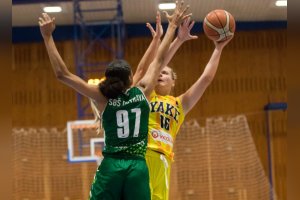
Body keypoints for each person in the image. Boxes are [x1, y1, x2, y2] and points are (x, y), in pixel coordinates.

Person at [38, 1, 191, 199]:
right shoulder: (141, 92)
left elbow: (62, 74)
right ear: (130, 79)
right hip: (137, 166)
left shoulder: (101, 98)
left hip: (111, 166)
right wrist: (172, 27)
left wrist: (47, 36)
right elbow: (158, 61)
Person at [132, 15, 234, 200]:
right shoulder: (145, 95)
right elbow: (156, 63)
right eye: (159, 73)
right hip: (141, 155)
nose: (160, 74)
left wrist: (218, 48)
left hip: (164, 161)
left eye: (165, 73)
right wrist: (177, 39)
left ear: (173, 81)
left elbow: (205, 79)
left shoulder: (180, 104)